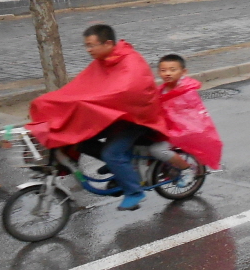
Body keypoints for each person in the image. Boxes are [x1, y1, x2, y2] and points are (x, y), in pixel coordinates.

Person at [27, 24, 167, 211]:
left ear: (108, 43)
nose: (88, 50)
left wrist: (90, 102)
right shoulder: (104, 60)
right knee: (81, 139)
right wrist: (53, 102)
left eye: (91, 45)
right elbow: (82, 87)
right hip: (115, 116)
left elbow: (124, 92)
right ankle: (119, 167)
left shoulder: (130, 61)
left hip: (136, 118)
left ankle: (134, 191)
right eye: (86, 45)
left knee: (112, 153)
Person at [150, 54, 223, 173]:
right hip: (166, 130)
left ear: (184, 72)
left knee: (158, 150)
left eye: (172, 70)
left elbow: (187, 118)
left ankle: (187, 169)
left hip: (181, 132)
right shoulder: (161, 90)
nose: (168, 73)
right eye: (163, 70)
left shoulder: (187, 93)